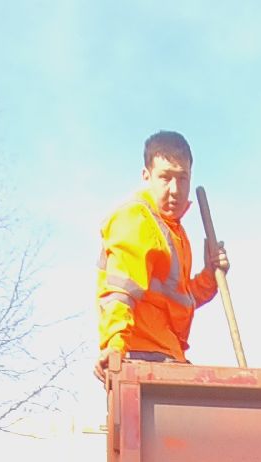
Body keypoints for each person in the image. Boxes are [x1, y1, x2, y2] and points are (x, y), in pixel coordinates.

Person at [95, 130, 228, 383]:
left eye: (182, 178)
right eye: (165, 178)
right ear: (146, 177)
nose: (176, 190)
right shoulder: (136, 219)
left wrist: (211, 275)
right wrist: (114, 345)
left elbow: (178, 299)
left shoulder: (173, 231)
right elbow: (120, 291)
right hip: (141, 357)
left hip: (167, 354)